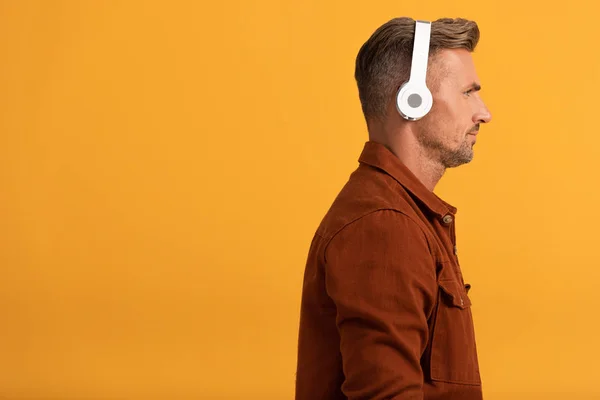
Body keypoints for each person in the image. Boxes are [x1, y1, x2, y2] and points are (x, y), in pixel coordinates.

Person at [295, 16, 493, 400]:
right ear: (411, 100)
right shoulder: (384, 228)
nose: (484, 112)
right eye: (468, 92)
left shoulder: (406, 216)